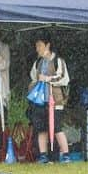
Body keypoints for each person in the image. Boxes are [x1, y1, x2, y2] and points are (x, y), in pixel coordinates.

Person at [28, 33, 71, 164]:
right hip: (40, 100)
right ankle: (43, 155)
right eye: (36, 46)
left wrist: (47, 79)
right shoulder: (38, 62)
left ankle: (65, 155)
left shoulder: (58, 60)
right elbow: (33, 77)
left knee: (57, 127)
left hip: (55, 100)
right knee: (41, 128)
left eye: (40, 46)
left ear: (48, 45)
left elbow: (63, 78)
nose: (38, 49)